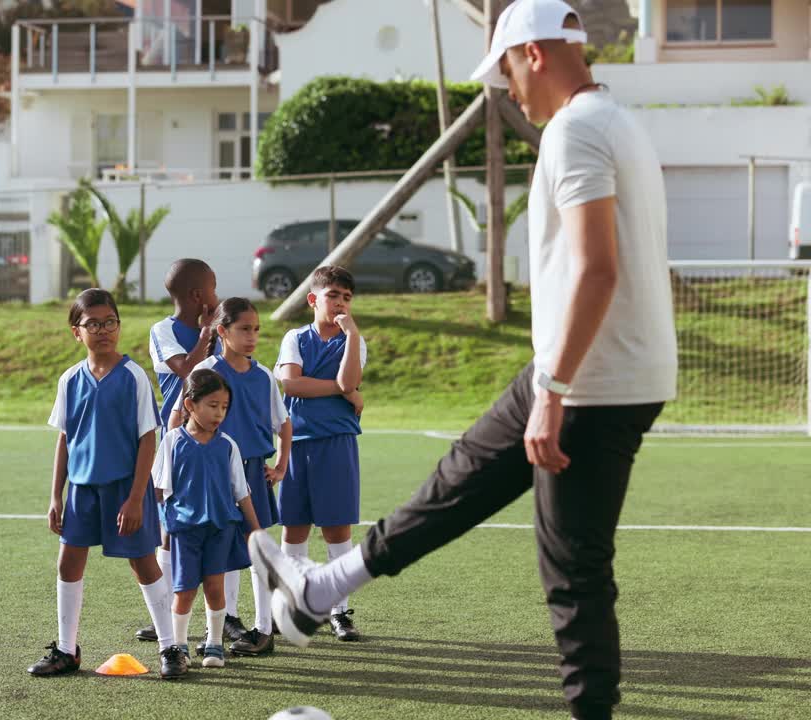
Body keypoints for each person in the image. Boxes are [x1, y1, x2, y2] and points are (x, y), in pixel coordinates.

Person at [249, 1, 676, 718]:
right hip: (590, 371)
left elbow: (597, 269)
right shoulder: (616, 121)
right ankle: (323, 589)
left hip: (589, 382)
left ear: (535, 53)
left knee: (573, 570)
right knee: (463, 477)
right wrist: (552, 380)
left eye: (507, 69)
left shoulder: (575, 132)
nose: (508, 90)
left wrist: (557, 388)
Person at [29, 288, 188, 680]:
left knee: (144, 564)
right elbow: (65, 439)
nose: (103, 330)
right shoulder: (69, 380)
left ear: (118, 326)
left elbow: (147, 438)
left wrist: (136, 498)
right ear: (76, 332)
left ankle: (171, 648)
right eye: (93, 324)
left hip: (124, 489)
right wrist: (55, 496)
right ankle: (67, 650)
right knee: (68, 563)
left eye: (110, 322)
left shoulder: (133, 376)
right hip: (82, 490)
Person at [182, 297, 292, 656]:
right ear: (223, 332)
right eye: (244, 329)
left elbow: (284, 423)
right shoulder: (207, 371)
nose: (252, 336)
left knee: (255, 549)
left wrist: (281, 466)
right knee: (220, 547)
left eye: (256, 329)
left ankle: (263, 630)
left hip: (253, 472)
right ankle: (225, 621)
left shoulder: (263, 376)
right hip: (213, 472)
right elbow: (178, 420)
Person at [272, 265, 367, 641]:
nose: (341, 303)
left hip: (337, 443)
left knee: (337, 529)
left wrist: (352, 337)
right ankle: (289, 607)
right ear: (313, 300)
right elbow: (291, 384)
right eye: (334, 296)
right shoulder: (295, 337)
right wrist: (346, 393)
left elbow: (349, 381)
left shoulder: (355, 341)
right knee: (294, 528)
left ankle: (339, 612)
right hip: (297, 443)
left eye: (347, 297)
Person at [153, 369, 262, 669]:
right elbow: (159, 490)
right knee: (184, 591)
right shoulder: (173, 441)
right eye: (212, 405)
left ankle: (215, 644)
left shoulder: (228, 445)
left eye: (224, 407)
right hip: (185, 532)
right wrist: (163, 529)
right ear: (190, 405)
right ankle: (178, 647)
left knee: (215, 588)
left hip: (221, 530)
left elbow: (242, 493)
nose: (219, 413)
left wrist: (255, 530)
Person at [135, 259, 221, 643]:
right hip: (174, 442)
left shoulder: (221, 329)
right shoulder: (162, 330)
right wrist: (205, 335)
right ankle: (168, 616)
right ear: (198, 295)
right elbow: (187, 371)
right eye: (213, 288)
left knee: (219, 523)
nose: (218, 297)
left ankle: (224, 618)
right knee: (170, 527)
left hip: (214, 441)